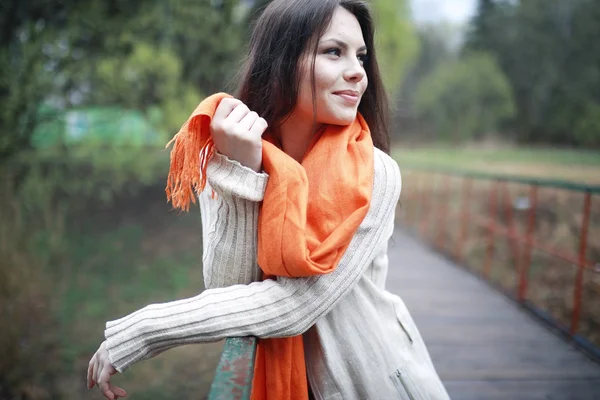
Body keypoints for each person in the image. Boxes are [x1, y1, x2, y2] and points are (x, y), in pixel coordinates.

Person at [87, 0, 451, 399]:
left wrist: (144, 330)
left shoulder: (375, 172)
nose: (357, 72)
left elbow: (296, 306)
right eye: (334, 51)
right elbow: (227, 287)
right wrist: (242, 173)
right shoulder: (223, 156)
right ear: (283, 61)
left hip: (373, 381)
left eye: (360, 56)